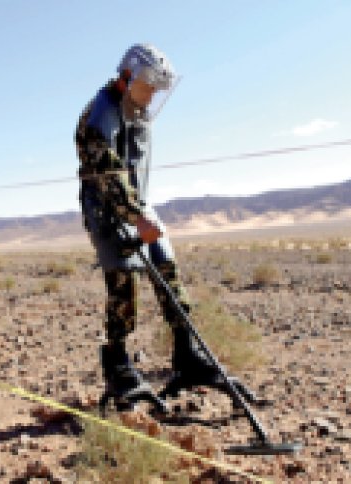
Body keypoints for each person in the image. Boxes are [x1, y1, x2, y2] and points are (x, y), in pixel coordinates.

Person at [75, 44, 223, 410]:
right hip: (107, 209)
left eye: (157, 89)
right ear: (127, 77)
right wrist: (135, 218)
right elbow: (109, 175)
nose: (152, 94)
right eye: (148, 86)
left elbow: (136, 171)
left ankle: (187, 357)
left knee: (167, 270)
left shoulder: (136, 112)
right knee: (124, 286)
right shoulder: (100, 113)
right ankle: (119, 368)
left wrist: (143, 214)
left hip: (138, 206)